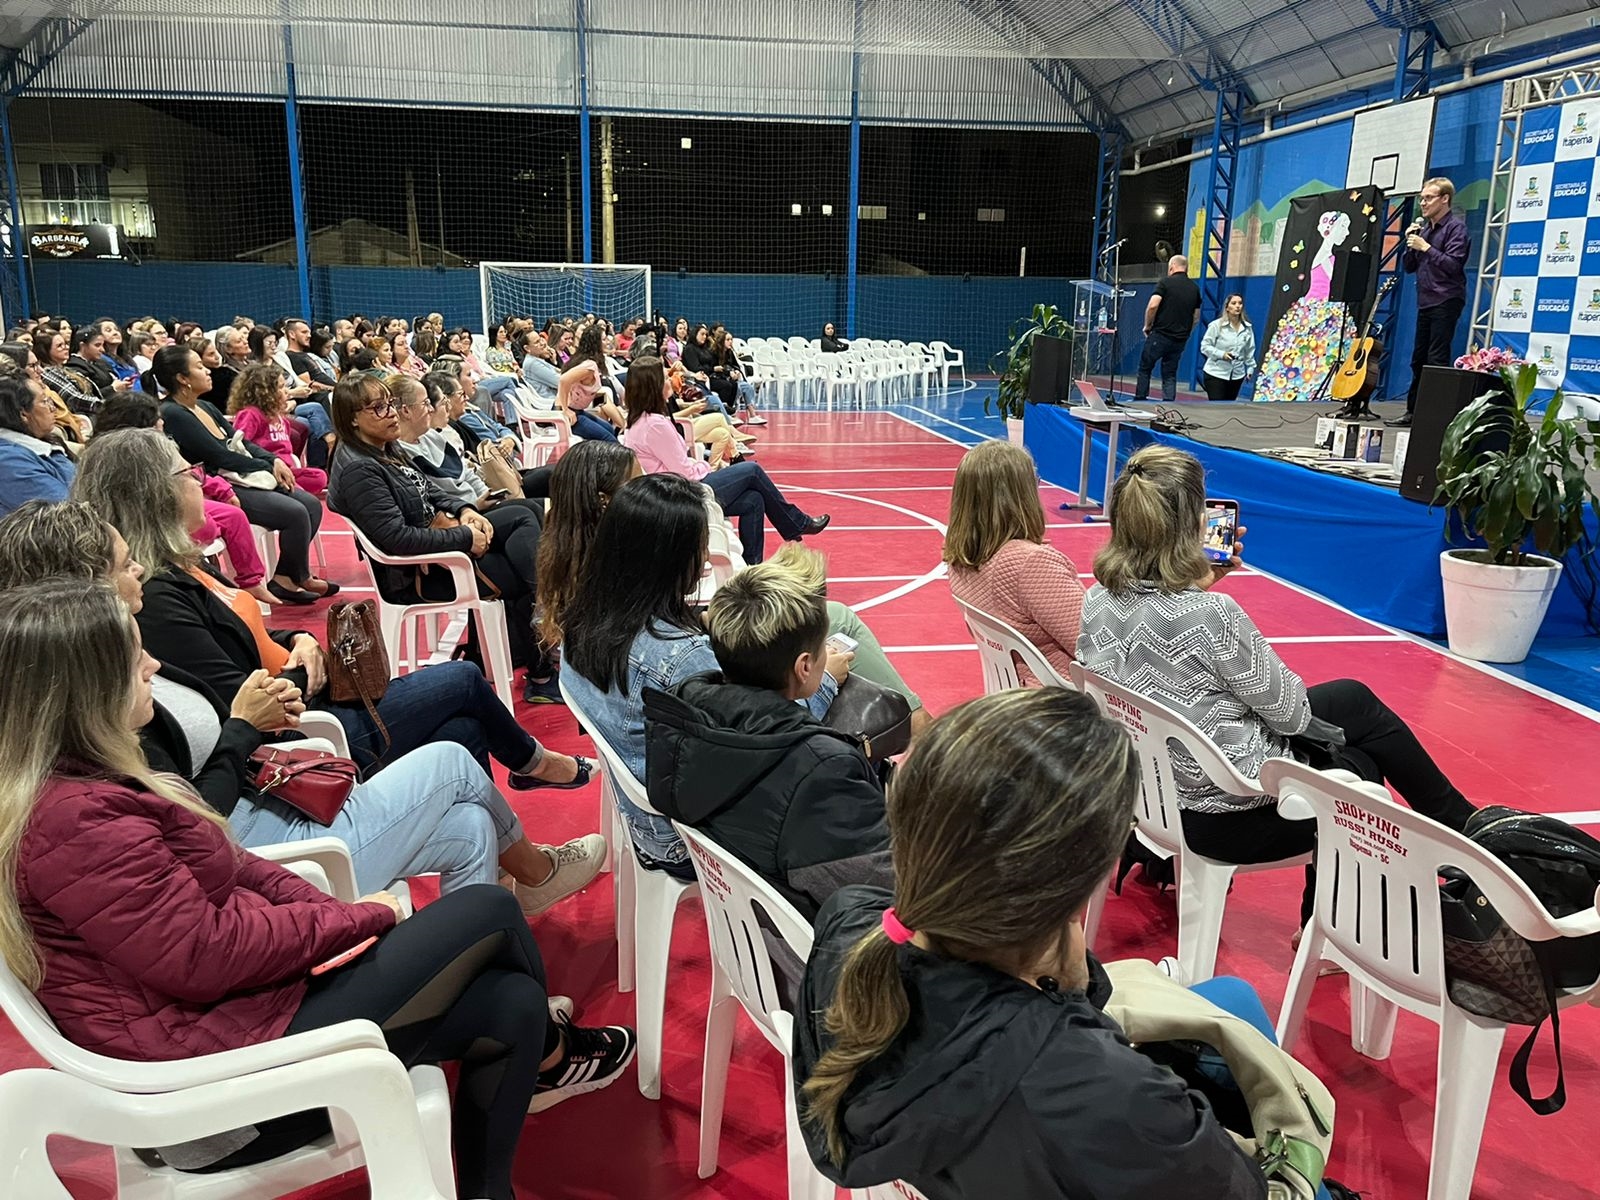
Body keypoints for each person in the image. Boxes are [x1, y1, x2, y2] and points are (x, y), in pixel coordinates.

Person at [0, 581, 634, 1200]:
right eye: (134, 656)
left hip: (233, 1023)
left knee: (512, 1002)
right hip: (212, 1096)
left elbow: (240, 873)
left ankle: (497, 1166)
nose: (153, 665)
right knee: (489, 909)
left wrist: (338, 914)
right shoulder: (75, 821)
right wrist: (364, 919)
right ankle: (555, 1052)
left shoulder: (93, 781)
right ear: (84, 688)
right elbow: (204, 954)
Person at [0, 499, 604, 915]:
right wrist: (245, 724)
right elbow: (192, 828)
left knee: (470, 818)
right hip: (273, 842)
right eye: (123, 563)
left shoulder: (132, 655)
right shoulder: (106, 704)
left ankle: (490, 978)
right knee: (453, 746)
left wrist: (291, 657)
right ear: (84, 588)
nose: (138, 567)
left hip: (281, 786)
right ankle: (533, 865)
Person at [794, 688, 1270, 1197]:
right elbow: (1243, 1188)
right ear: (1075, 883)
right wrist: (1073, 998)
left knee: (1230, 999)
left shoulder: (850, 924)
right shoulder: (1104, 1090)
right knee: (1239, 1025)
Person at [1076, 445, 1476, 921]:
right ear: (1190, 527)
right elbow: (1291, 714)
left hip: (1149, 798)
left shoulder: (1097, 600)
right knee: (1359, 768)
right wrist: (1205, 600)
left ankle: (1461, 830)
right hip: (1224, 816)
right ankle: (1454, 843)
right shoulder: (1210, 615)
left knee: (1351, 700)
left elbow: (1164, 639)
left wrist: (1195, 586)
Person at [72, 427, 589, 790]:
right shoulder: (157, 597)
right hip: (301, 733)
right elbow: (240, 701)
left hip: (307, 695)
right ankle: (538, 764)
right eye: (191, 471)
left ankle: (510, 870)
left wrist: (298, 639)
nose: (202, 481)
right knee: (463, 681)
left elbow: (249, 639)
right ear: (155, 494)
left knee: (466, 731)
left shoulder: (187, 566)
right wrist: (307, 667)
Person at [562, 473, 844, 877]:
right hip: (689, 840)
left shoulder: (582, 621)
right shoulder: (684, 661)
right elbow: (772, 740)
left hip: (642, 812)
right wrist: (824, 679)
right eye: (699, 546)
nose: (707, 558)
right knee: (845, 721)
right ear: (669, 559)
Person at [644, 544, 892, 920]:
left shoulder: (682, 710)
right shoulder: (824, 768)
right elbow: (886, 889)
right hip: (815, 937)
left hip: (745, 911)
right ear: (804, 666)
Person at [326, 373, 558, 703]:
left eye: (390, 403)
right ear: (352, 418)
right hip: (421, 574)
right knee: (521, 554)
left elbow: (429, 489)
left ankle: (542, 624)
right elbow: (397, 539)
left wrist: (464, 510)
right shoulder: (359, 469)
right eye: (379, 408)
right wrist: (464, 537)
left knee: (525, 511)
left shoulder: (382, 447)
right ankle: (544, 642)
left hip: (439, 550)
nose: (391, 412)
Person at [144, 344, 335, 606]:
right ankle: (290, 578)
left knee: (311, 504)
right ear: (182, 378)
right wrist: (267, 466)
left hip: (240, 475)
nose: (208, 371)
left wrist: (273, 460)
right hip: (216, 485)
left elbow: (241, 441)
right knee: (295, 512)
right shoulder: (173, 413)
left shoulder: (205, 406)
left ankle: (289, 576)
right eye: (199, 366)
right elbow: (218, 456)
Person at [622, 355, 827, 564]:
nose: (670, 381)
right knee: (752, 470)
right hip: (681, 494)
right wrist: (705, 466)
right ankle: (796, 523)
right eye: (665, 378)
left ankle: (752, 566)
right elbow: (684, 473)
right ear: (654, 386)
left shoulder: (641, 421)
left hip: (673, 489)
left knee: (754, 500)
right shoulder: (655, 426)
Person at [943, 440, 1083, 684]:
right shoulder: (1030, 564)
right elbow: (1093, 647)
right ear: (1022, 495)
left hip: (1013, 690)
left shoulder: (960, 558)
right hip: (1061, 694)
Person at [1390, 176, 1471, 428]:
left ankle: (1433, 417)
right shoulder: (1424, 230)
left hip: (1446, 298)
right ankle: (1413, 412)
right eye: (1421, 198)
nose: (1423, 203)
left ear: (1444, 199)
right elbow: (1409, 267)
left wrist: (1426, 247)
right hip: (1425, 301)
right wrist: (1410, 244)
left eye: (1428, 198)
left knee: (1436, 358)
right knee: (1418, 359)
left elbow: (1453, 265)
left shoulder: (1456, 228)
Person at [228, 363, 328, 494]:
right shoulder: (250, 414)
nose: (286, 391)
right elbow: (240, 446)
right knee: (299, 493)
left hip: (286, 469)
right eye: (281, 387)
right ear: (264, 392)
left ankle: (291, 487)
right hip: (265, 469)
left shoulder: (280, 418)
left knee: (319, 477)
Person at [0, 375, 76, 516]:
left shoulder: (41, 440)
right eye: (44, 401)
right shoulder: (9, 461)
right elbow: (66, 514)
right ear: (23, 414)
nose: (53, 408)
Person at [1135, 254, 1201, 404]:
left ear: (1171, 267)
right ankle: (1169, 404)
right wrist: (1186, 333)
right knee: (1170, 373)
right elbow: (1196, 316)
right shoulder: (1194, 288)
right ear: (1186, 268)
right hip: (1179, 339)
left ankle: (1140, 400)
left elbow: (1153, 305)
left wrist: (1147, 325)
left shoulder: (1164, 283)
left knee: (1145, 368)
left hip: (1160, 334)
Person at [1198, 294, 1256, 402]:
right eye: (1233, 303)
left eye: (1240, 303)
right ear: (1227, 307)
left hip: (1237, 375)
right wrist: (1222, 354)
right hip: (1216, 373)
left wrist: (1250, 368)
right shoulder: (1216, 325)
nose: (1237, 306)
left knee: (1229, 407)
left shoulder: (1247, 328)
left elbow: (1249, 350)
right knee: (1217, 407)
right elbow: (1205, 346)